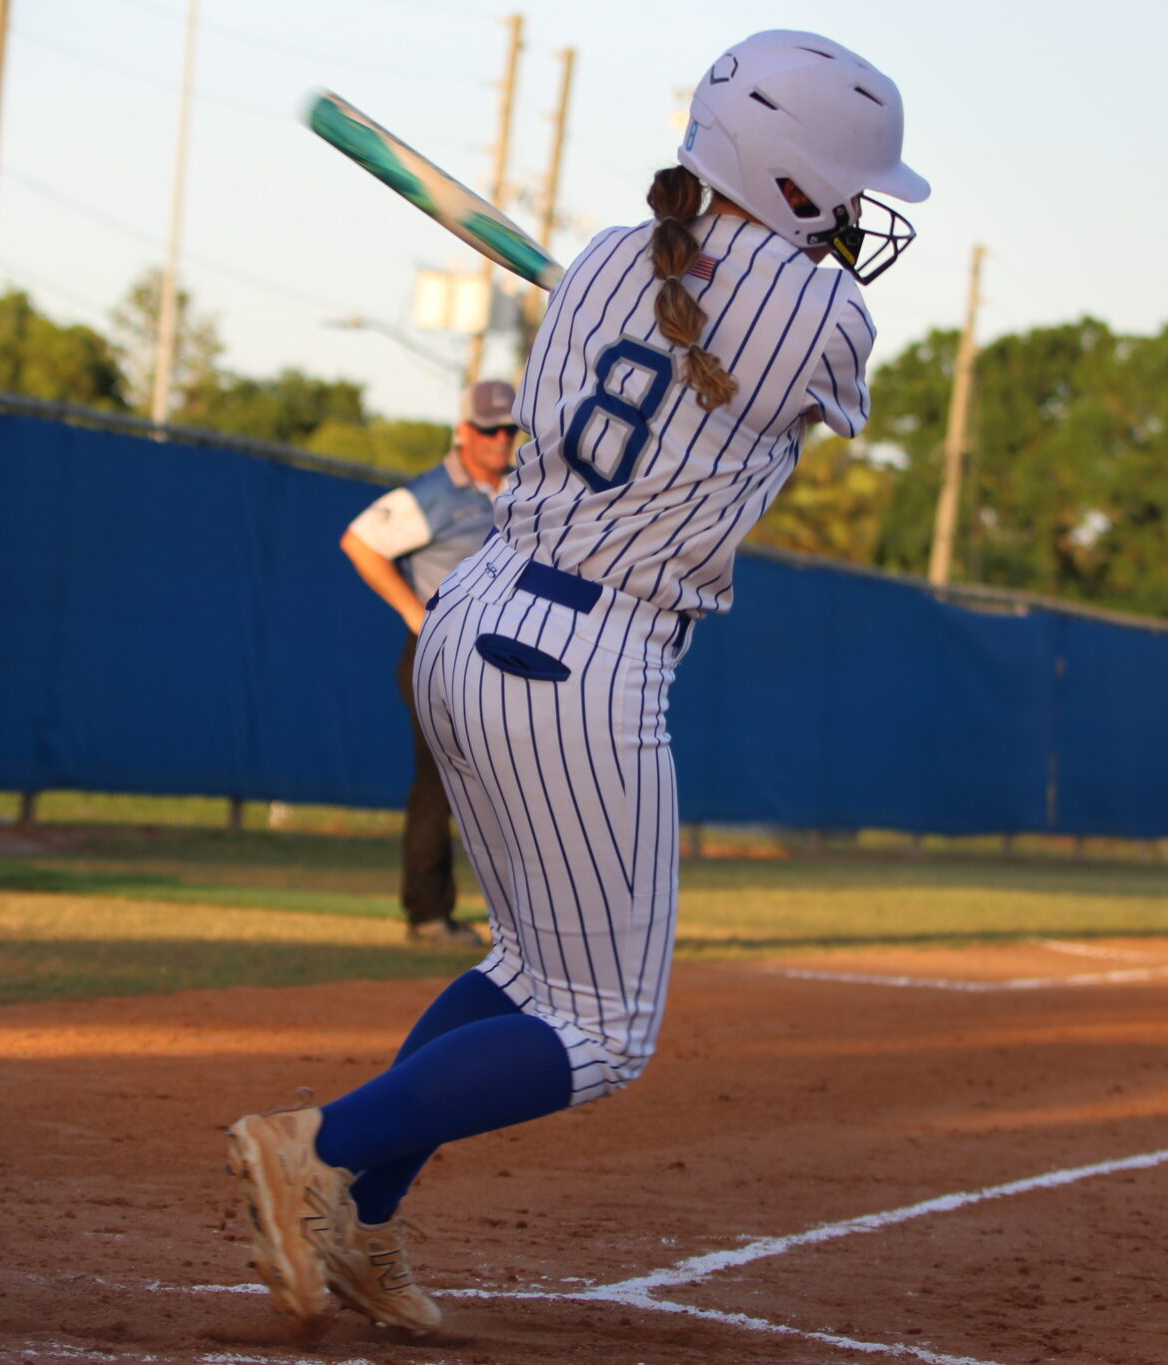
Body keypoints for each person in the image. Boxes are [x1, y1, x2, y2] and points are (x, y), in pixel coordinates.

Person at [224, 29, 929, 1336]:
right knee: (603, 1030)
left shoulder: (609, 256)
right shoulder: (827, 313)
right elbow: (789, 383)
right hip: (587, 656)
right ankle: (318, 1144)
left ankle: (364, 1220)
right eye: (845, 185)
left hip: (474, 614)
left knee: (529, 966)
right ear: (792, 181)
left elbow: (694, 342)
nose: (858, 213)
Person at [339, 380, 519, 945]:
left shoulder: (523, 490)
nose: (499, 439)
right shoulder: (436, 493)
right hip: (442, 654)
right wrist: (416, 613)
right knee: (441, 784)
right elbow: (360, 542)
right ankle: (428, 915)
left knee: (515, 784)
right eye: (488, 428)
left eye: (509, 429)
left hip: (504, 657)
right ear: (462, 431)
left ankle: (520, 923)